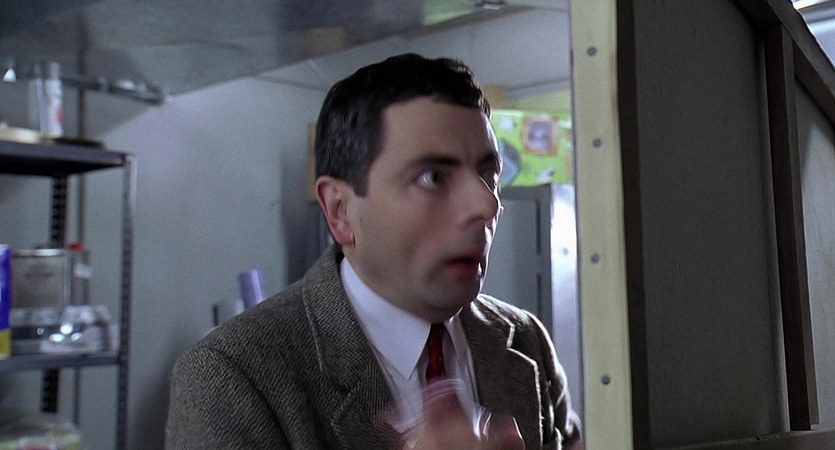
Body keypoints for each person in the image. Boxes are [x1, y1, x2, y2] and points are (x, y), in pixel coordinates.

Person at [165, 53, 581, 449]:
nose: (486, 204)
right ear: (340, 211)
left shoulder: (525, 340)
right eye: (433, 177)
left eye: (488, 175)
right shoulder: (232, 376)